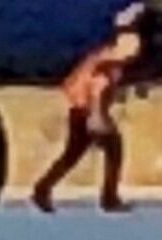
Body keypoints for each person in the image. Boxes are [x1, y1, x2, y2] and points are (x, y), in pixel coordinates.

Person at [31, 18, 145, 214]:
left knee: (72, 155)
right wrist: (97, 118)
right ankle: (109, 198)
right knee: (114, 150)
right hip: (90, 113)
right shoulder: (108, 65)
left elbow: (72, 84)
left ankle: (43, 189)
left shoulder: (98, 56)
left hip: (80, 111)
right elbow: (97, 91)